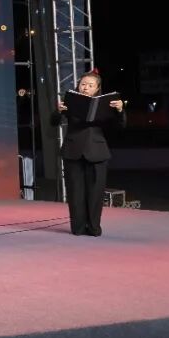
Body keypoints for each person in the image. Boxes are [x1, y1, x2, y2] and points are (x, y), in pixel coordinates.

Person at [53, 70, 125, 236]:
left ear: (97, 88)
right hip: (73, 151)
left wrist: (120, 110)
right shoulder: (70, 101)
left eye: (90, 85)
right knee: (75, 192)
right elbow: (53, 122)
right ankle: (78, 228)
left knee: (95, 193)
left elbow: (120, 127)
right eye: (83, 84)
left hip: (97, 151)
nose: (85, 87)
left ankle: (93, 227)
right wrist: (58, 111)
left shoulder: (106, 104)